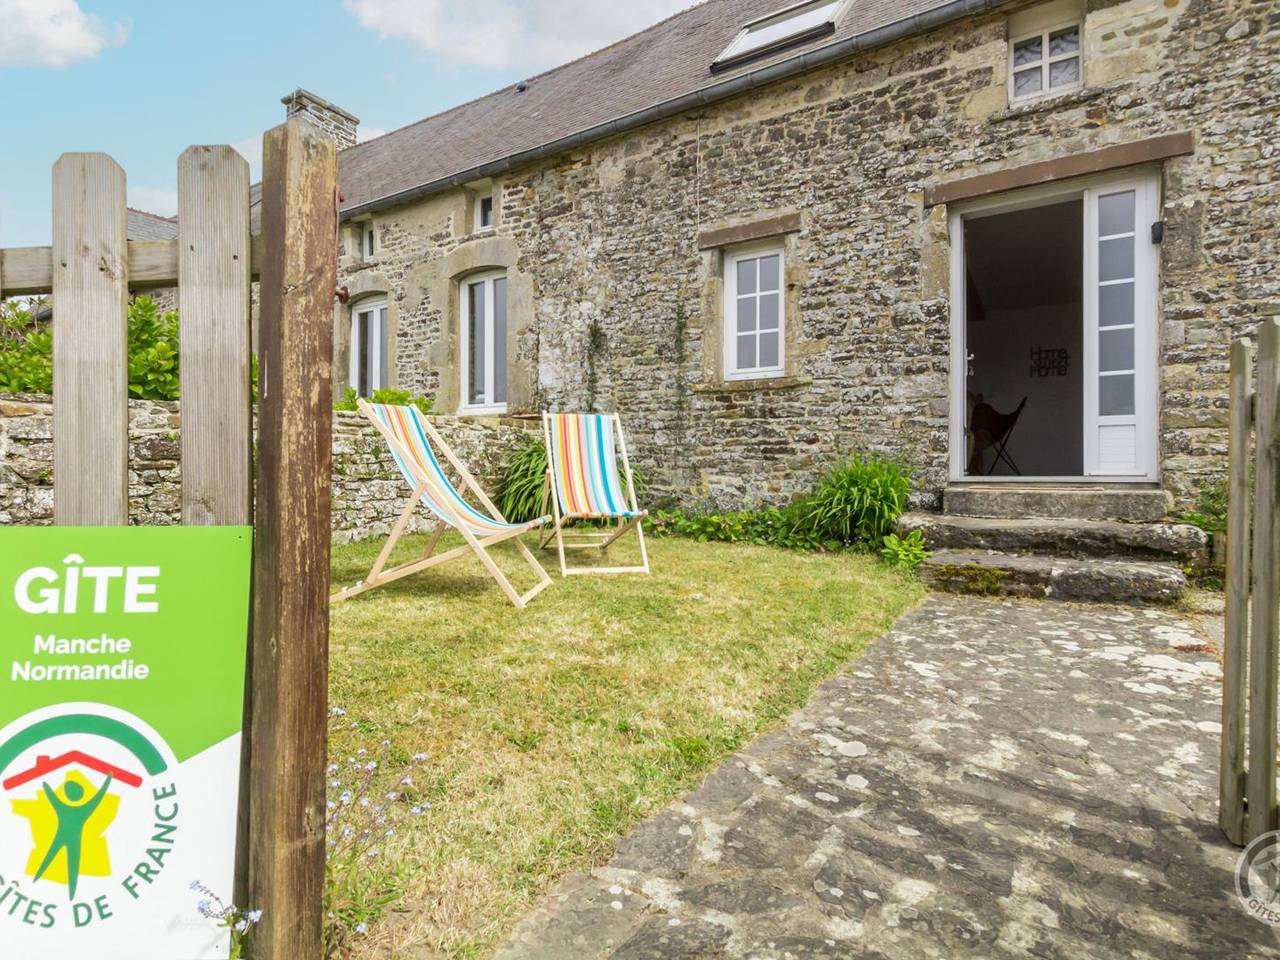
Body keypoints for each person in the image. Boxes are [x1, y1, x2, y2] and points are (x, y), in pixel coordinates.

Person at [32, 773, 113, 900]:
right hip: (72, 841)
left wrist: (45, 784)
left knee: (50, 861)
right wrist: (108, 779)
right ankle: (70, 893)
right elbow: (99, 796)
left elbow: (51, 796)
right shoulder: (85, 809)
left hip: (65, 838)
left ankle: (38, 880)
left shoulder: (62, 807)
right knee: (71, 868)